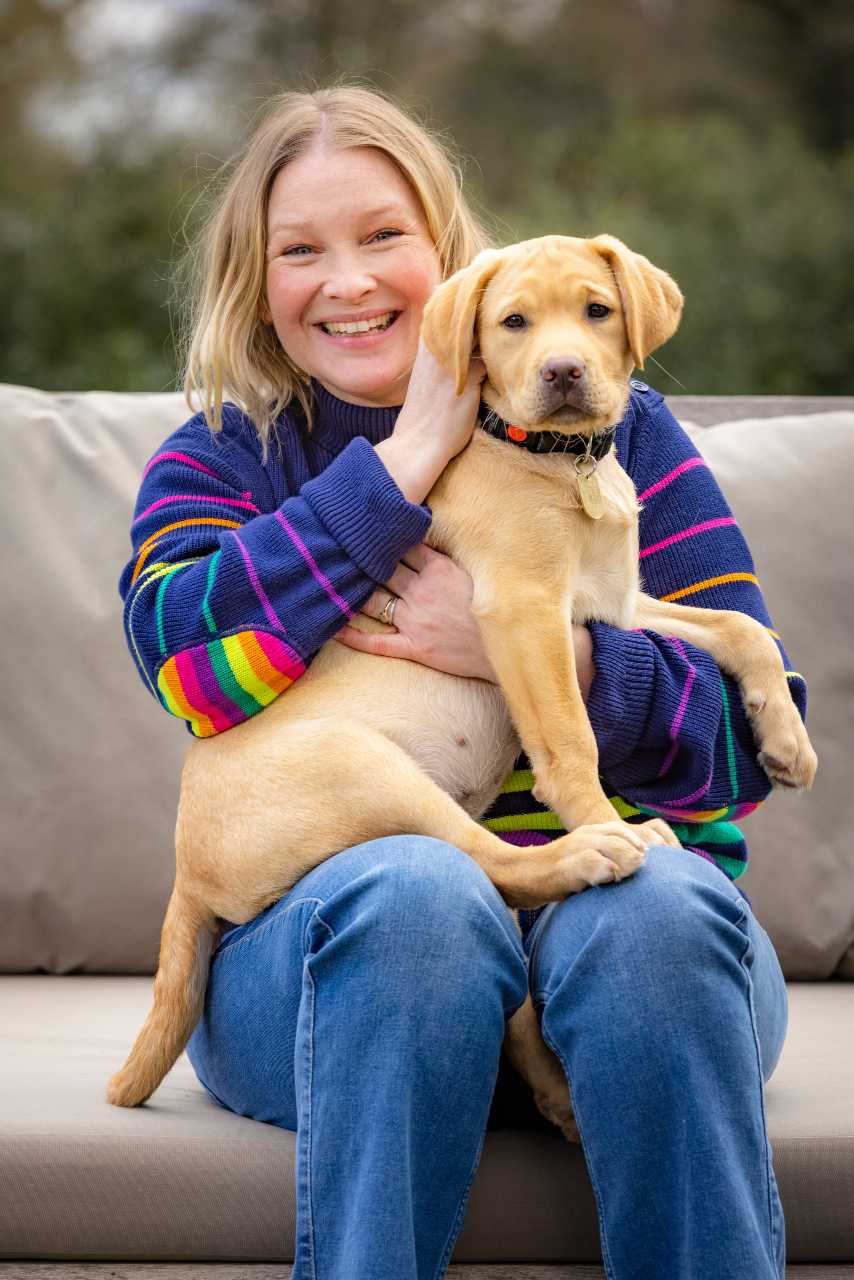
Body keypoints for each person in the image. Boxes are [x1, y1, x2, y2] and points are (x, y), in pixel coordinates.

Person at [118, 83, 800, 1280]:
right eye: (299, 250)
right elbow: (186, 669)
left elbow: (743, 752)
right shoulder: (226, 454)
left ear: (445, 250)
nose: (347, 280)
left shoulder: (616, 427)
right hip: (336, 963)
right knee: (414, 896)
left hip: (620, 965)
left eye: (382, 234)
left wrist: (531, 650)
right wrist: (397, 473)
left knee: (652, 915)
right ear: (256, 284)